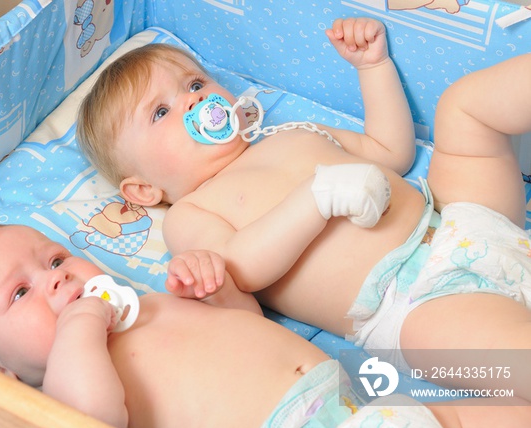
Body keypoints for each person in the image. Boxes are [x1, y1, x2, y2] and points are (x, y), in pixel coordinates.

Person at [76, 17, 531, 394]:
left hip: (457, 218)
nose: (194, 100)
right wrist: (317, 199)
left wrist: (373, 67)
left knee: (463, 108)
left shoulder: (292, 132)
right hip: (413, 304)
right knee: (509, 350)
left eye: (195, 83)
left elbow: (390, 151)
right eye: (160, 112)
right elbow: (241, 268)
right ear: (142, 191)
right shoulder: (189, 213)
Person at [0, 223, 531, 428]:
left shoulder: (147, 302)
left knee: (500, 409)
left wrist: (217, 288)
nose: (56, 278)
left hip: (357, 386)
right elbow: (94, 419)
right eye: (22, 294)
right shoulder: (67, 379)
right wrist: (81, 325)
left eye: (55, 258)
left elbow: (249, 326)